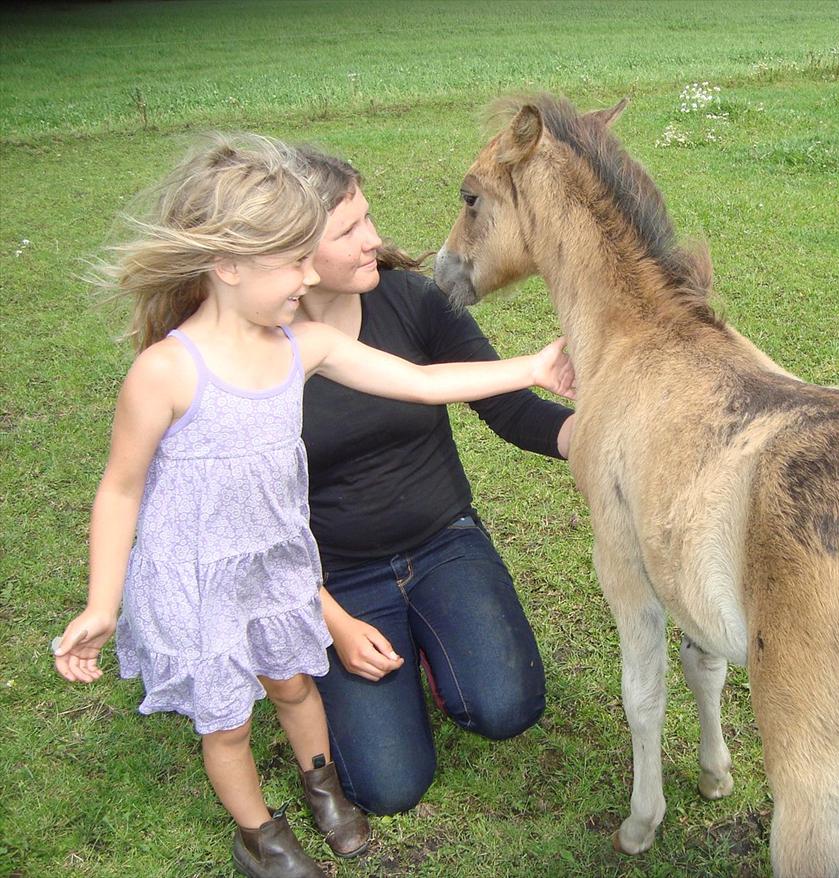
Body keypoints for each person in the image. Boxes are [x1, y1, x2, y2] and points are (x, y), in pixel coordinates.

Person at [51, 133, 575, 878]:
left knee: (357, 694)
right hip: (260, 582)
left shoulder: (324, 336)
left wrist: (542, 375)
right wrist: (105, 604)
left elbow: (429, 383)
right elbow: (127, 490)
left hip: (357, 556)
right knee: (287, 745)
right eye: (307, 252)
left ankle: (338, 763)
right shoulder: (172, 369)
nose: (369, 245)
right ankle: (260, 832)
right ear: (231, 263)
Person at [292, 145, 575, 816]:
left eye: (369, 219)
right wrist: (329, 620)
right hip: (336, 577)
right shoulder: (254, 358)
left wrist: (598, 443)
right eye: (349, 231)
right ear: (292, 254)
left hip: (441, 539)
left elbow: (509, 410)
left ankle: (435, 637)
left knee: (508, 707)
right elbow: (253, 522)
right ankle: (332, 661)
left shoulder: (409, 301)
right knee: (389, 787)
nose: (376, 241)